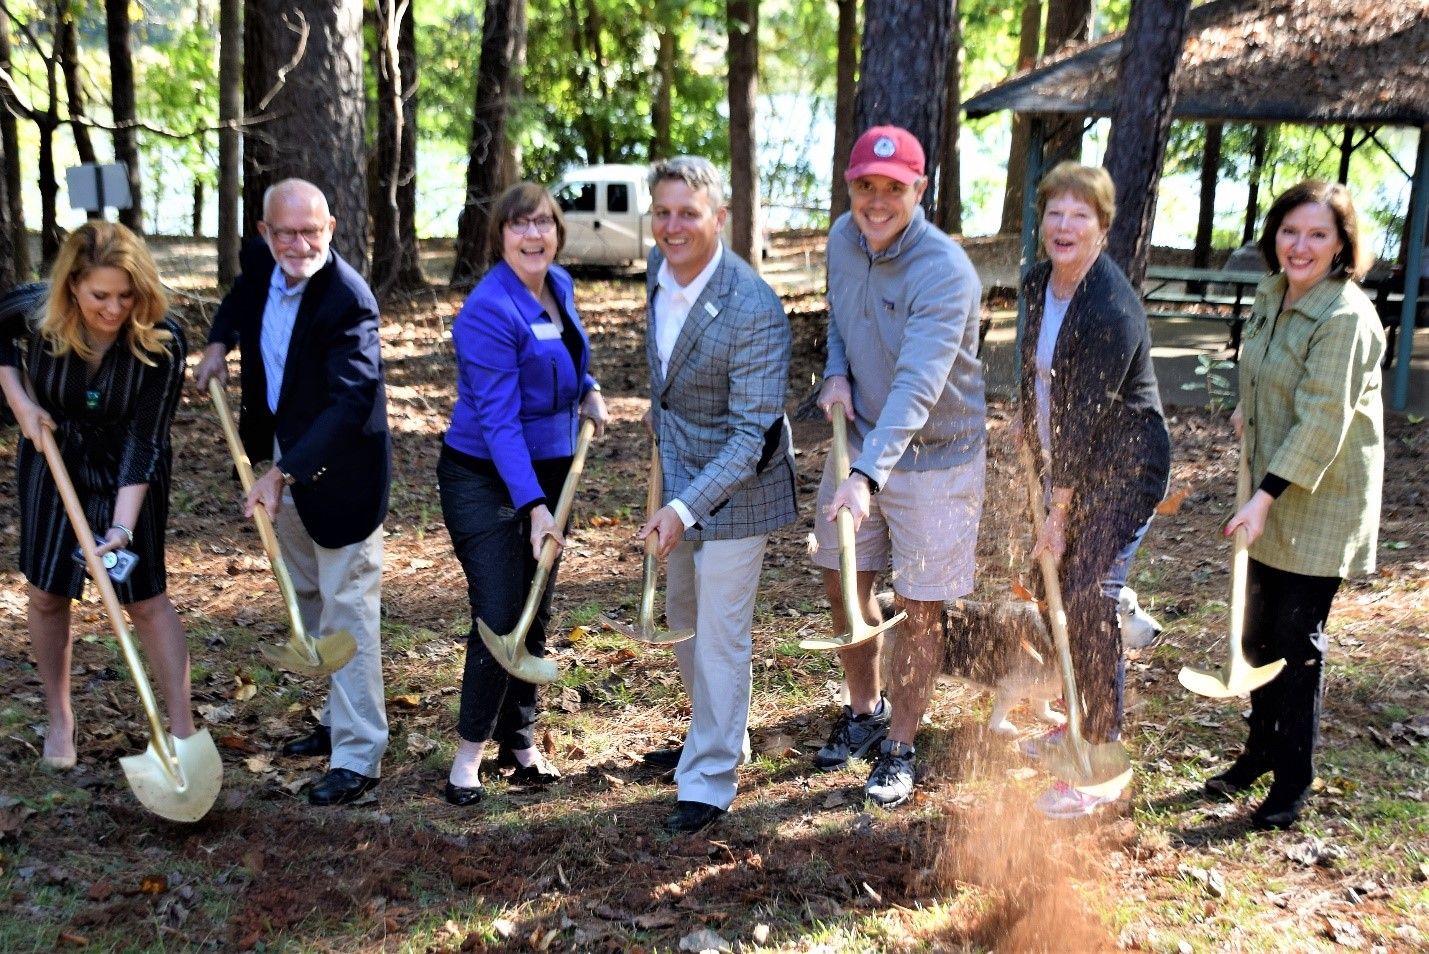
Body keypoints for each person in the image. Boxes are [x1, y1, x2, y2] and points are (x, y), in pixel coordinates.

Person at [195, 178, 391, 807]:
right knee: (306, 595)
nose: (299, 244)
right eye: (286, 232)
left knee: (348, 606)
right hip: (280, 451)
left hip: (341, 469)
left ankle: (359, 756)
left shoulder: (348, 300)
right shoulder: (262, 264)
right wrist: (217, 344)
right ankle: (337, 721)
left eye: (312, 231)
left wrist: (283, 474)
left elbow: (352, 400)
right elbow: (238, 297)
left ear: (331, 228)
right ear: (265, 234)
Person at [812, 125, 986, 809]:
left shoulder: (944, 273)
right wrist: (833, 372)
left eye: (893, 188)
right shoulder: (840, 239)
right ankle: (864, 712)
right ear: (850, 186)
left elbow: (917, 386)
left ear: (919, 189)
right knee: (840, 579)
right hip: (857, 440)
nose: (876, 201)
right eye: (864, 186)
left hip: (935, 459)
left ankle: (901, 747)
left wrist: (864, 477)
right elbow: (838, 316)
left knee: (919, 607)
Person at [1206, 180, 1384, 830]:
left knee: (1293, 641)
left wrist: (1261, 499)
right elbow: (1263, 368)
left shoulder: (1344, 317)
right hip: (1267, 490)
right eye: (1289, 231)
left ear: (1341, 245)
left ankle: (1292, 779)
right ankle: (1257, 752)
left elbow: (1320, 422)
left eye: (1316, 234)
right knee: (1254, 635)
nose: (1299, 245)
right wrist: (1245, 406)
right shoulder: (1272, 292)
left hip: (1317, 500)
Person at [636, 156, 797, 833]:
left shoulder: (752, 305)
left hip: (740, 492)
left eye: (688, 214)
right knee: (683, 621)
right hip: (679, 474)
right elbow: (668, 379)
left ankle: (707, 781)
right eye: (663, 213)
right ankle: (719, 732)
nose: (673, 227)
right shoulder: (655, 273)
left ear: (719, 218)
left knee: (721, 639)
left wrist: (681, 507)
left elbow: (747, 437)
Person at [436, 182, 608, 807]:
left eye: (543, 223)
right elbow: (500, 421)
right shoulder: (488, 310)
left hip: (553, 468)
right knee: (503, 610)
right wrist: (534, 507)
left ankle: (521, 743)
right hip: (484, 476)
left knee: (537, 605)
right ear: (500, 236)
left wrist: (587, 388)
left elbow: (567, 357)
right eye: (519, 225)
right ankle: (466, 758)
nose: (533, 235)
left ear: (557, 233)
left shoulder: (556, 286)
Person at [0, 224, 195, 770]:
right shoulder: (35, 313)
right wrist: (18, 399)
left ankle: (182, 732)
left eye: (125, 295)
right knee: (45, 592)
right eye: (99, 295)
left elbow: (147, 439)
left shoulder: (163, 339)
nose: (113, 309)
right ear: (71, 288)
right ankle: (60, 718)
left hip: (127, 466)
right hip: (52, 452)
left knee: (143, 596)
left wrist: (121, 530)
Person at [1015, 162, 1171, 819]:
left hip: (1124, 469)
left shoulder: (1109, 307)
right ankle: (1074, 721)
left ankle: (1100, 764)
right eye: (1054, 212)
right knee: (1051, 590)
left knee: (1086, 600)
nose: (1063, 225)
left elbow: (1084, 416)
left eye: (1080, 215)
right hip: (1068, 465)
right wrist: (1028, 446)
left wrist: (1056, 511)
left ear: (1103, 230)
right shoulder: (1037, 282)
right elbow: (1036, 376)